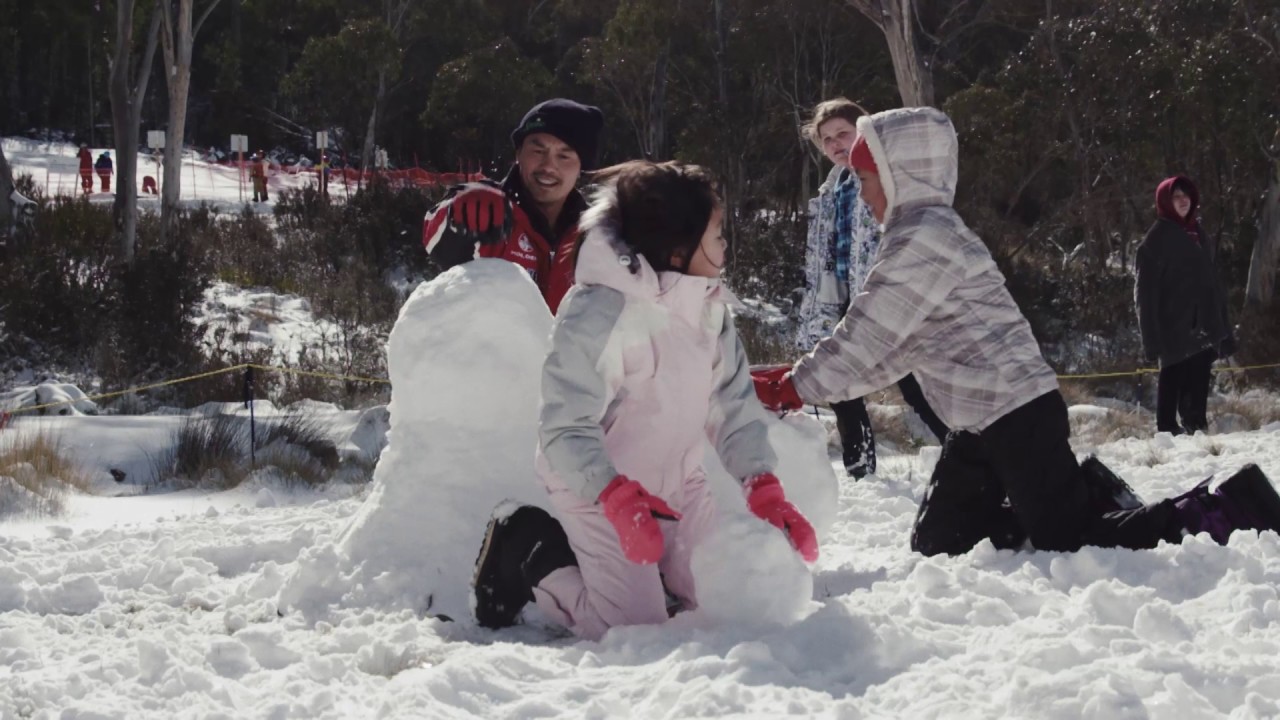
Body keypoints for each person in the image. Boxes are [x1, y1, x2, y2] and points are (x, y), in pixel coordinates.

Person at [754, 107, 1280, 557]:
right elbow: (891, 351)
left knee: (1070, 540)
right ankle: (1067, 492)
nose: (863, 193)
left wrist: (796, 387)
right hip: (982, 423)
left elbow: (868, 335)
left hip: (1016, 413)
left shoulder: (924, 239)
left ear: (898, 176)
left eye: (866, 180)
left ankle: (1224, 508)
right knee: (942, 543)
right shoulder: (915, 236)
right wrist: (800, 381)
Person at [471, 161, 818, 639]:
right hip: (596, 486)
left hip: (679, 482)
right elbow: (565, 428)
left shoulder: (709, 309)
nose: (726, 245)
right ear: (678, 252)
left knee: (719, 597)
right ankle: (529, 548)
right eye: (717, 234)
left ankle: (650, 572)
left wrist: (762, 485)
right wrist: (613, 495)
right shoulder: (604, 313)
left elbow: (731, 405)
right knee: (632, 627)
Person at [791, 98, 948, 479]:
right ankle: (860, 469)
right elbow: (822, 255)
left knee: (914, 385)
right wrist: (816, 314)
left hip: (890, 298)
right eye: (826, 139)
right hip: (845, 301)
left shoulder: (887, 176)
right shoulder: (830, 192)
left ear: (863, 132)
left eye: (842, 133)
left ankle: (967, 450)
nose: (835, 144)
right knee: (841, 384)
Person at [422, 98, 604, 314]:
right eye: (538, 151)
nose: (548, 166)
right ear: (518, 153)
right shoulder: (492, 211)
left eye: (564, 156)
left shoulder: (597, 235)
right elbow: (436, 241)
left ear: (582, 165)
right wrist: (455, 210)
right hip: (490, 346)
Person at [1135, 176, 1234, 435]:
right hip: (1173, 327)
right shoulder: (1155, 240)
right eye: (1176, 196)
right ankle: (1167, 437)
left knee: (1199, 384)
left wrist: (1223, 327)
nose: (1182, 201)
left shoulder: (1199, 234)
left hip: (1202, 324)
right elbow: (1145, 293)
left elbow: (1213, 283)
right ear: (1165, 201)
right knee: (1171, 380)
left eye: (1186, 196)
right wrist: (1150, 337)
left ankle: (1197, 433)